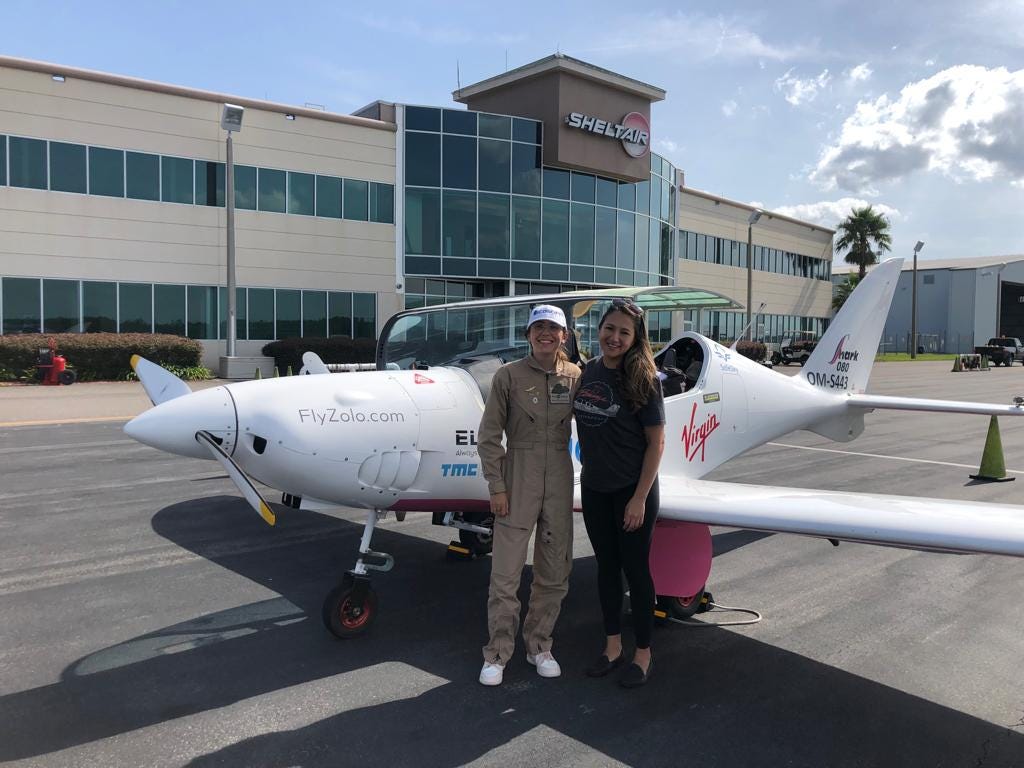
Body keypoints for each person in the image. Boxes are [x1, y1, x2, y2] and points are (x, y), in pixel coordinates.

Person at [476, 304, 582, 686]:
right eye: (538, 328)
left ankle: (540, 645)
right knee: (505, 573)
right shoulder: (508, 376)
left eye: (553, 329)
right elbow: (489, 438)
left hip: (558, 477)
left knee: (554, 570)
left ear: (564, 337)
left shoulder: (575, 377)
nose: (545, 334)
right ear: (528, 334)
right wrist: (497, 487)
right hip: (517, 475)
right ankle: (497, 653)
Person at [573, 298, 666, 688]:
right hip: (595, 488)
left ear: (635, 337)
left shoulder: (644, 379)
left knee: (636, 570)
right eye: (609, 329)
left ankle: (643, 653)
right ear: (599, 330)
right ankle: (612, 647)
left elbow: (656, 444)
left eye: (624, 332)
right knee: (606, 569)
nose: (614, 337)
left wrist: (639, 498)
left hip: (632, 491)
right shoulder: (588, 371)